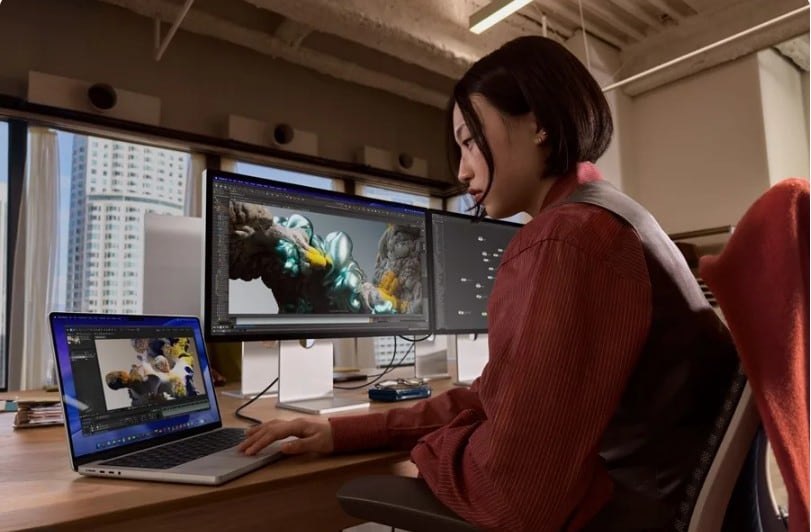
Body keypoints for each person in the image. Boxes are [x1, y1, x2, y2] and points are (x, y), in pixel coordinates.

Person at [238, 36, 738, 531]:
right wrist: (344, 432)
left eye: (470, 140)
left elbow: (515, 497)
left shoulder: (566, 240)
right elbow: (491, 398)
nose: (461, 169)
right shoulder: (609, 217)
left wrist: (433, 447)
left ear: (538, 123)